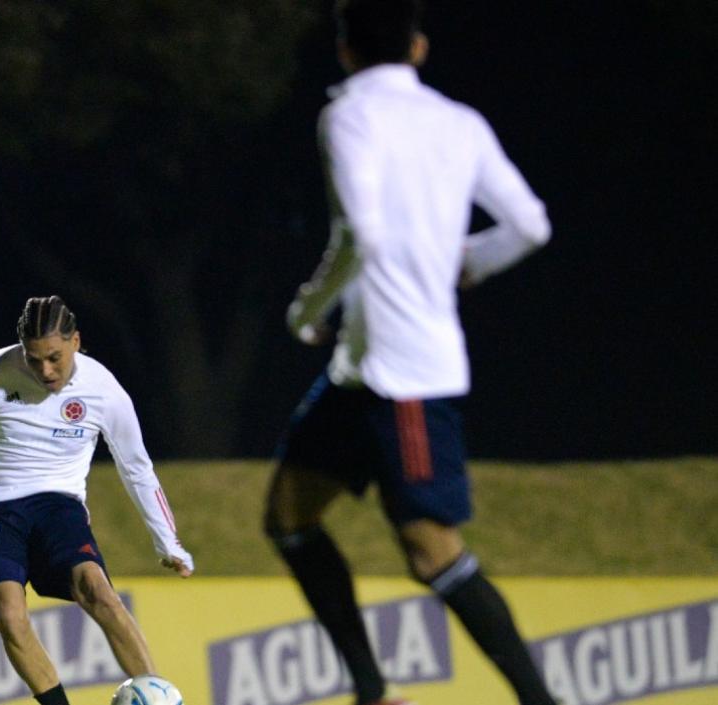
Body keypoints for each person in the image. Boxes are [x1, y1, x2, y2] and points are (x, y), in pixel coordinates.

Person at [265, 2, 557, 705]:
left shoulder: (347, 117)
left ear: (344, 52)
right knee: (289, 515)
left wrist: (307, 308)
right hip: (360, 371)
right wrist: (466, 260)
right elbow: (530, 225)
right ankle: (373, 689)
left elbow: (360, 235)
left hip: (409, 382)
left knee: (432, 553)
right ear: (419, 48)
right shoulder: (461, 125)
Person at [0, 295, 193, 705]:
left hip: (58, 505)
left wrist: (168, 542)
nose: (45, 370)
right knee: (8, 611)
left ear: (76, 341)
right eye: (34, 358)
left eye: (55, 358)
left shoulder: (104, 391)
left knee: (96, 588)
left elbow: (137, 468)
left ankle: (156, 698)